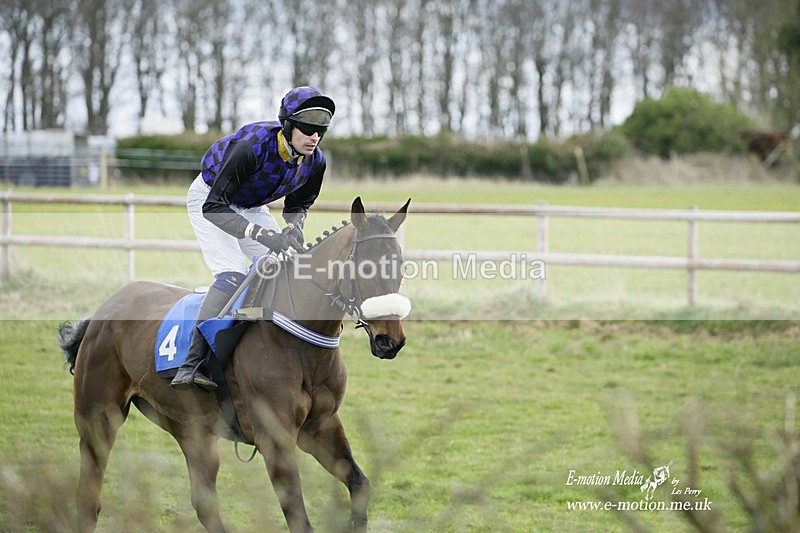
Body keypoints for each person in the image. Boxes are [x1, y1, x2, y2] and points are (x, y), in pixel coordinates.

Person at [171, 86, 335, 390]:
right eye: (308, 128)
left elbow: (299, 203)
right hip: (210, 199)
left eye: (320, 130)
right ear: (287, 125)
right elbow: (215, 207)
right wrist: (259, 233)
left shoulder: (315, 161)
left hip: (250, 205)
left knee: (285, 265)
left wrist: (294, 228)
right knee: (232, 274)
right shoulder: (251, 146)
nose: (314, 137)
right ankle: (192, 364)